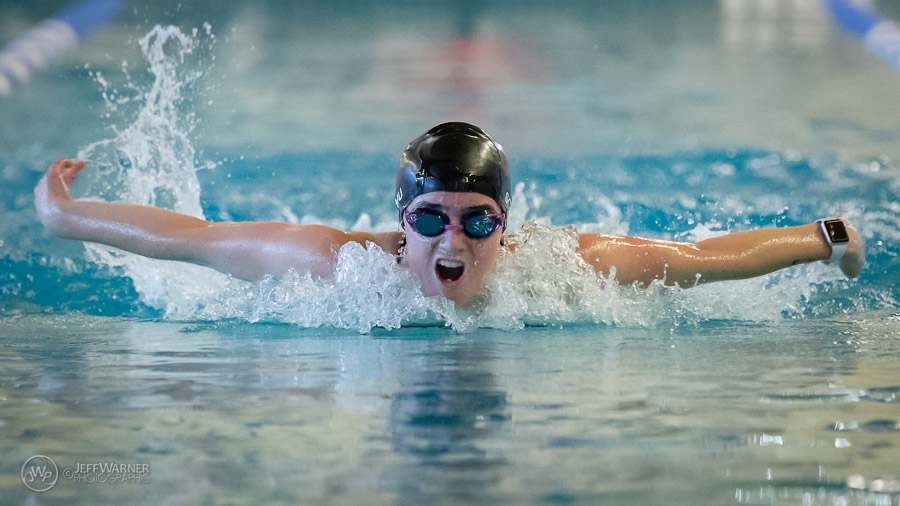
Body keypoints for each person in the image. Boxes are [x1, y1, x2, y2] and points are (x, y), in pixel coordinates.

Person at [34, 122, 864, 308]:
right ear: (401, 222)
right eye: (431, 219)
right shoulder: (338, 265)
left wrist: (822, 241)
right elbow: (191, 240)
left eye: (477, 220)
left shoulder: (564, 268)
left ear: (507, 225)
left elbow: (700, 256)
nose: (453, 240)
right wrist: (64, 215)